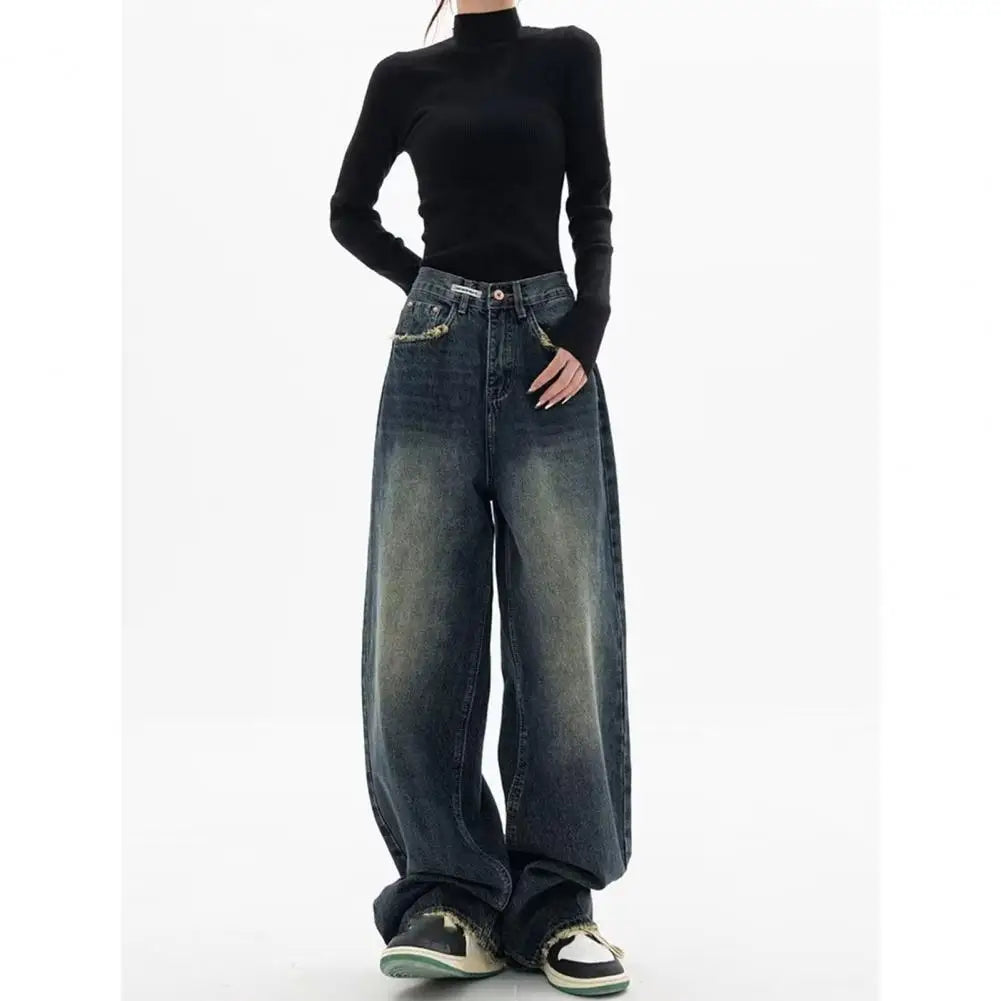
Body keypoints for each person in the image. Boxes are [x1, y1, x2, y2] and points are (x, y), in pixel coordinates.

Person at [328, 1, 631, 994]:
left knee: (563, 629)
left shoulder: (566, 56)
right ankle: (449, 893)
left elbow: (591, 196)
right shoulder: (401, 78)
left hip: (550, 352)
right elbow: (348, 212)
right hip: (432, 352)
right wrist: (427, 287)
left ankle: (555, 900)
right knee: (415, 632)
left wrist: (587, 324)